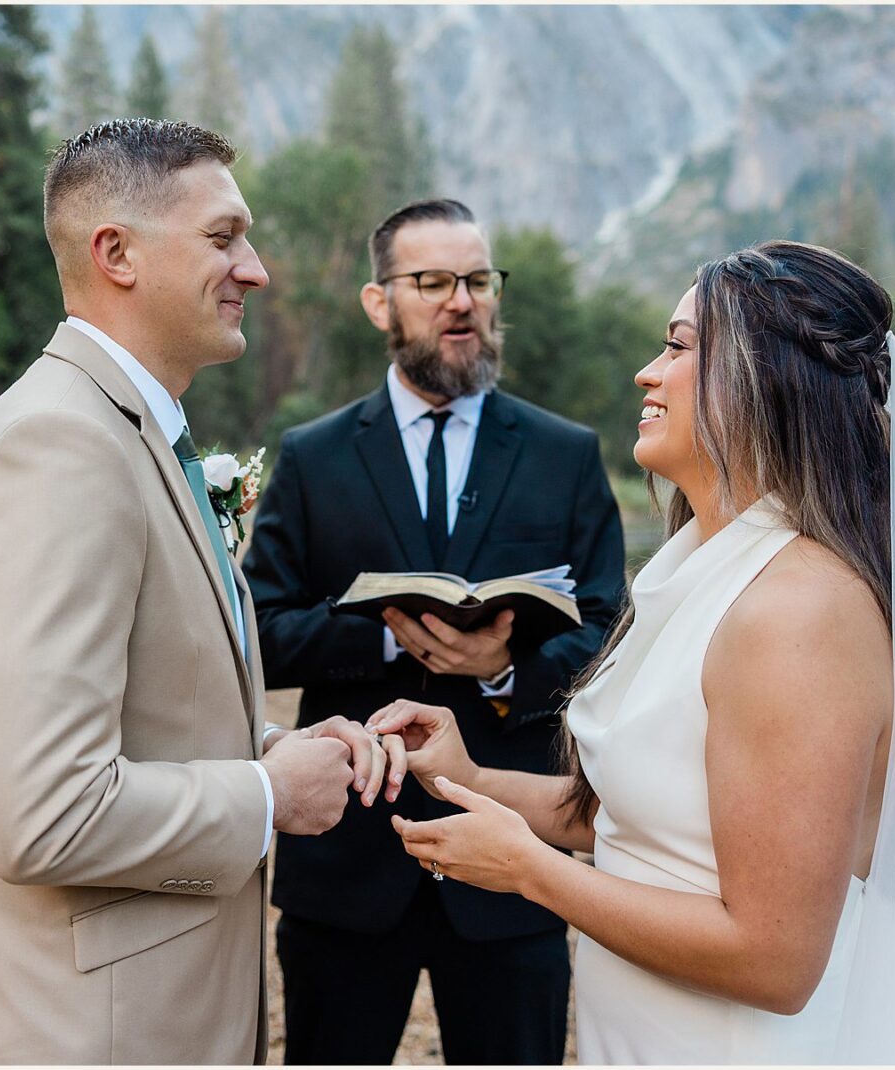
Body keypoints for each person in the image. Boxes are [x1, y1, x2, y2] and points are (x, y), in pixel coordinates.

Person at [372, 240, 895, 1063]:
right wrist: (468, 778)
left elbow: (774, 958)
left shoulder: (799, 611)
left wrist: (532, 874)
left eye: (680, 345)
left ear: (764, 377)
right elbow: (643, 824)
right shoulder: (701, 561)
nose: (647, 372)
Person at [0, 119, 404, 1066]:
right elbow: (46, 814)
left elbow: (134, 705)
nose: (255, 270)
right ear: (115, 252)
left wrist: (274, 745)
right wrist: (265, 796)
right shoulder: (61, 448)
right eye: (223, 237)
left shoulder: (128, 432)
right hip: (77, 1029)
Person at [242, 198, 626, 1064]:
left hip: (514, 859)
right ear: (381, 303)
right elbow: (257, 634)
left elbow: (609, 628)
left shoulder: (564, 453)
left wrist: (501, 669)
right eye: (433, 282)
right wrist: (385, 638)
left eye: (478, 281)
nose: (462, 301)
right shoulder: (315, 454)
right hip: (346, 858)